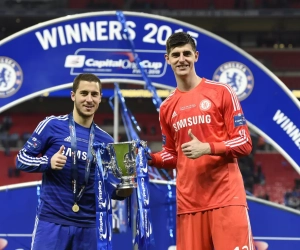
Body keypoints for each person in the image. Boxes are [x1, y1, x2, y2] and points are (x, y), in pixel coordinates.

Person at [148, 32, 254, 250]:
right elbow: (172, 154)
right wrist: (149, 159)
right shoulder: (167, 107)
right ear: (167, 59)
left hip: (226, 199)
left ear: (196, 56)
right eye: (175, 55)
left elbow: (244, 142)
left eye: (186, 53)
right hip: (189, 205)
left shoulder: (221, 92)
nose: (181, 59)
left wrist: (207, 147)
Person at [16, 73, 131, 250]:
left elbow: (109, 188)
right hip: (52, 221)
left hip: (89, 225)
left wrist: (126, 187)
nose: (89, 99)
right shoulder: (52, 125)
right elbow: (21, 159)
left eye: (94, 94)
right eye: (84, 93)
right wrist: (48, 162)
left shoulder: (106, 141)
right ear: (73, 95)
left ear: (100, 98)